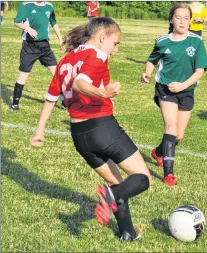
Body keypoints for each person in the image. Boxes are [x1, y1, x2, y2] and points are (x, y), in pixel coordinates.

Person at [30, 17, 151, 241]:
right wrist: (103, 93)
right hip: (101, 127)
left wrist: (40, 131)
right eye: (115, 43)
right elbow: (79, 83)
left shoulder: (66, 60)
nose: (115, 50)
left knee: (117, 183)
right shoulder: (96, 54)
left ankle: (127, 233)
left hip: (79, 136)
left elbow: (50, 99)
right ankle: (109, 196)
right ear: (102, 37)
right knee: (143, 178)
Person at [142, 3, 207, 186]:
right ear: (171, 19)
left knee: (179, 135)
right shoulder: (162, 41)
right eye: (178, 17)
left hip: (186, 90)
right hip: (165, 88)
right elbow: (151, 60)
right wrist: (147, 72)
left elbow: (200, 70)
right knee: (170, 127)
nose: (182, 21)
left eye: (186, 18)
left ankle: (158, 152)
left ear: (190, 22)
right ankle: (169, 174)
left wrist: (183, 85)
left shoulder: (196, 41)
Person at [10, 1, 63, 111]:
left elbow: (53, 22)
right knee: (24, 75)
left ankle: (64, 101)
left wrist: (60, 39)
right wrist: (28, 29)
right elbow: (17, 22)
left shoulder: (49, 6)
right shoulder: (26, 5)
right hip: (29, 46)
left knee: (57, 74)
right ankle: (15, 103)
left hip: (44, 46)